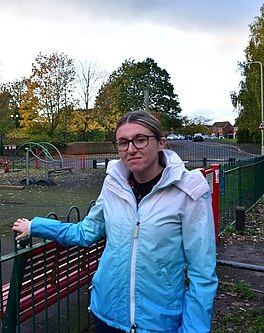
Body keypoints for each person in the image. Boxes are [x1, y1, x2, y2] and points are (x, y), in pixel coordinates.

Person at [12, 110, 218, 333]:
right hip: (106, 314)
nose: (131, 149)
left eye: (140, 139)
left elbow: (202, 274)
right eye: (123, 142)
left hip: (157, 322)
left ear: (161, 143)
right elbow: (86, 232)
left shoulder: (189, 193)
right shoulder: (113, 184)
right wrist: (36, 226)